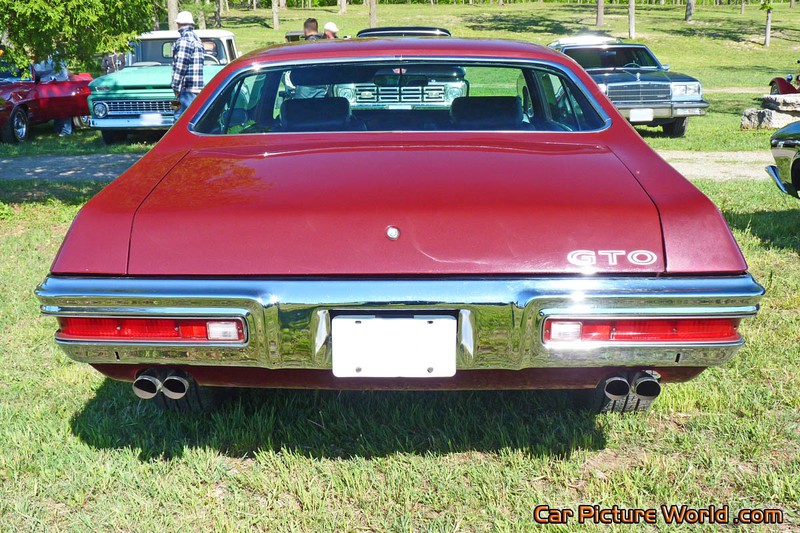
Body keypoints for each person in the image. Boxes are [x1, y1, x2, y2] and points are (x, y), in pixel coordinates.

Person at [171, 11, 204, 121]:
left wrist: (175, 86)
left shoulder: (184, 40)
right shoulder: (197, 39)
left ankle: (176, 138)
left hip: (186, 89)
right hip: (196, 88)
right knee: (193, 119)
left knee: (179, 119)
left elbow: (180, 66)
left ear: (180, 24)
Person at [33, 57, 73, 136]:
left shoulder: (41, 60)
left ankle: (65, 130)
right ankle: (60, 129)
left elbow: (37, 73)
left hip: (52, 84)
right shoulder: (58, 54)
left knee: (61, 107)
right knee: (61, 107)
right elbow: (66, 69)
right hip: (63, 83)